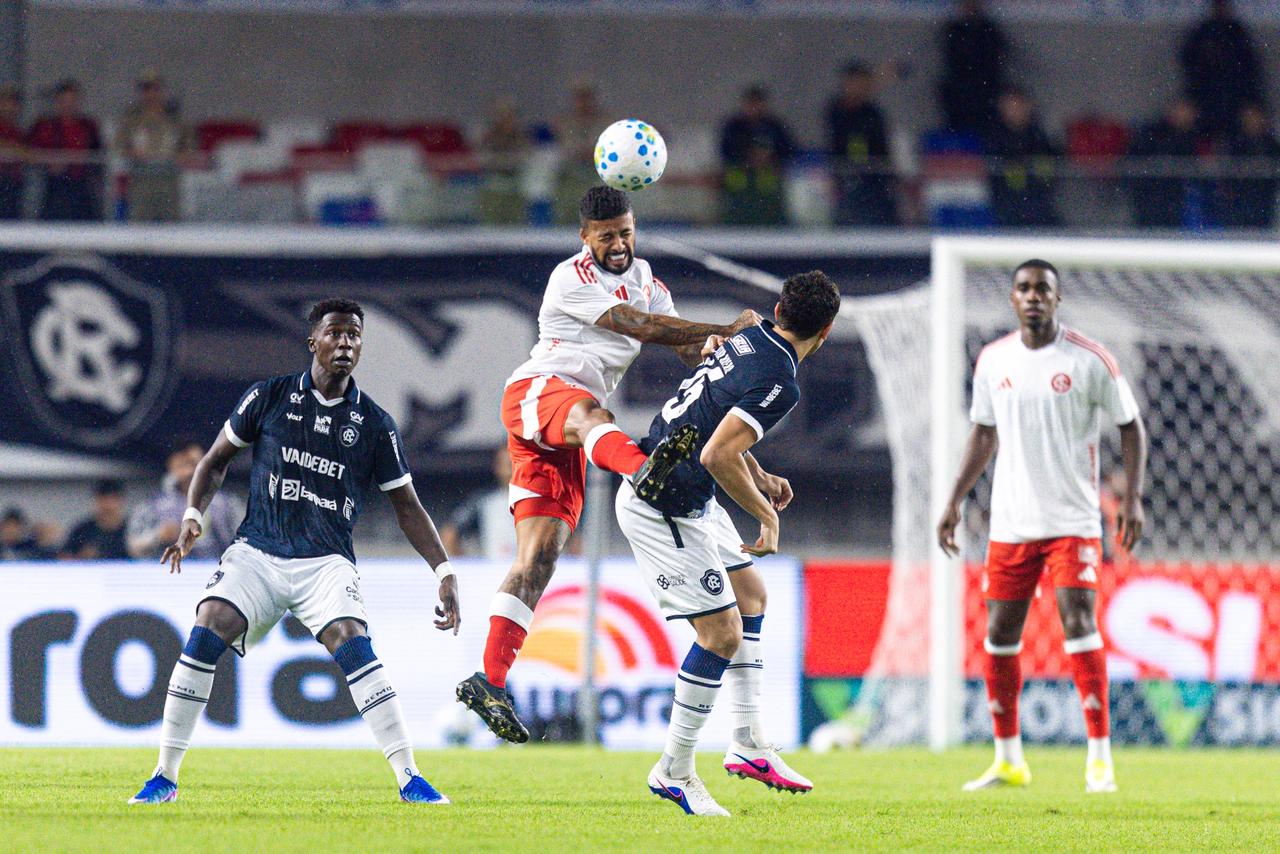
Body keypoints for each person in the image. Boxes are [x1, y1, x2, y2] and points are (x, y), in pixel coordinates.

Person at [455, 186, 760, 744]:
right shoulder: (570, 278)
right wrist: (719, 326)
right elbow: (639, 327)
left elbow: (683, 343)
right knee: (594, 412)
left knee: (539, 558)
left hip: (570, 439)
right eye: (606, 237)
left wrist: (719, 342)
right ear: (584, 238)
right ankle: (643, 471)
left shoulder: (647, 279)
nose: (618, 245)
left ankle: (490, 681)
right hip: (539, 391)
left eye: (626, 232)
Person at [128, 298, 460, 806]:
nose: (345, 343)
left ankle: (410, 778)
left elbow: (407, 505)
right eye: (335, 334)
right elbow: (215, 461)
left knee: (352, 640)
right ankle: (163, 777)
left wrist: (443, 569)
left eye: (354, 336)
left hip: (325, 561)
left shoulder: (375, 424)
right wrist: (193, 517)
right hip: (258, 551)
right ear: (314, 341)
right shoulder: (270, 396)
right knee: (207, 626)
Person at [618, 271, 839, 816]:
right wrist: (767, 516)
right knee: (721, 634)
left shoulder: (748, 336)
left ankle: (746, 742)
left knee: (752, 597)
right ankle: (673, 769)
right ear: (826, 332)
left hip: (687, 488)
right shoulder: (782, 380)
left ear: (779, 308)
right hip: (662, 502)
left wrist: (758, 474)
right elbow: (717, 454)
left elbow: (714, 420)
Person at [937, 259, 1147, 795]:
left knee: (1079, 622)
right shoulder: (993, 360)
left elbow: (1131, 426)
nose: (1033, 297)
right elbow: (983, 434)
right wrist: (955, 500)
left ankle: (1099, 758)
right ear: (1013, 299)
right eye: (1024, 289)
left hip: (1074, 520)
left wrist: (1133, 499)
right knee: (1000, 635)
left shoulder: (1090, 359)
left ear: (1057, 299)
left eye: (1043, 290)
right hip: (1011, 523)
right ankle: (1009, 760)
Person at [127, 438, 240, 560]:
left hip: (216, 570)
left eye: (193, 464)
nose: (189, 472)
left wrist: (223, 532)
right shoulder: (154, 505)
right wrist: (158, 536)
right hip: (168, 573)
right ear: (171, 466)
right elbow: (133, 546)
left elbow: (247, 542)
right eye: (182, 465)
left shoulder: (225, 503)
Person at [1180, 0, 1264, 138]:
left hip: (1237, 101)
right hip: (1202, 99)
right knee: (1182, 121)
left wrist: (1252, 104)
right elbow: (1190, 70)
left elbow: (1251, 73)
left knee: (1253, 124)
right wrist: (1190, 100)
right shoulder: (1201, 34)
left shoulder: (1238, 34)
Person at [114, 70, 191, 222]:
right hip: (141, 177)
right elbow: (119, 145)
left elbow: (188, 146)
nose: (151, 94)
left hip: (168, 177)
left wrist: (181, 156)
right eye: (146, 90)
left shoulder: (175, 118)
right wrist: (132, 152)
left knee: (170, 224)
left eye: (155, 89)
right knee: (140, 224)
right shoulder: (131, 118)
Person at [826, 61, 896, 226]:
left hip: (873, 180)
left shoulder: (873, 113)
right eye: (853, 83)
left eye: (861, 83)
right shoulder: (836, 109)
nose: (857, 88)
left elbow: (883, 149)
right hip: (847, 180)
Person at [719, 86, 795, 226]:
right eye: (751, 103)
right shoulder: (734, 126)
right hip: (740, 177)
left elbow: (788, 150)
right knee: (738, 192)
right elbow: (726, 151)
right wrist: (747, 158)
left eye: (757, 103)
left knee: (768, 195)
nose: (754, 108)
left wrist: (769, 159)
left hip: (768, 176)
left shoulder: (774, 126)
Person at [27, 79, 102, 221]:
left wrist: (83, 160)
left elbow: (98, 155)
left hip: (82, 188)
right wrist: (48, 162)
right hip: (54, 187)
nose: (69, 105)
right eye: (64, 100)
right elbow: (29, 150)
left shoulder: (89, 125)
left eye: (72, 100)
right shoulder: (45, 125)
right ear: (57, 101)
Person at [984, 89, 1060, 227]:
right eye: (1010, 106)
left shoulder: (1038, 137)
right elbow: (997, 175)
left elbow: (1047, 174)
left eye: (1018, 106)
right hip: (1008, 210)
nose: (1014, 111)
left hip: (1039, 208)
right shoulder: (994, 138)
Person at [1126, 98, 1203, 228]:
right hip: (1151, 193)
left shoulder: (1190, 136)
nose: (1188, 116)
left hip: (1173, 196)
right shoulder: (1154, 131)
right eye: (1184, 111)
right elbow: (1140, 155)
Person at [938, 0, 1010, 136]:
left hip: (986, 90)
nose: (970, 7)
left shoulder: (990, 30)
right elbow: (953, 60)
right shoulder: (954, 30)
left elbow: (994, 61)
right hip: (960, 91)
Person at [441, 447, 517, 560]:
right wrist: (470, 567)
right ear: (497, 467)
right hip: (495, 571)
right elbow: (449, 534)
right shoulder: (485, 502)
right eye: (508, 464)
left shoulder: (539, 501)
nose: (512, 469)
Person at [1218, 102, 1280, 228]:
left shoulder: (1271, 144)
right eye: (1249, 118)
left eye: (1255, 117)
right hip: (1238, 197)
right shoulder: (1235, 143)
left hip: (1263, 197)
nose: (1252, 121)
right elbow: (1226, 169)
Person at [60, 479, 130, 560]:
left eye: (113, 499)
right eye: (103, 499)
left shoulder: (131, 530)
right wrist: (81, 557)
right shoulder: (82, 530)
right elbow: (64, 557)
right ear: (96, 500)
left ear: (122, 501)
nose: (108, 505)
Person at [0, 83, 26, 220]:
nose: (9, 108)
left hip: (13, 185)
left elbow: (28, 153)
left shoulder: (18, 131)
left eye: (13, 104)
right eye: (5, 104)